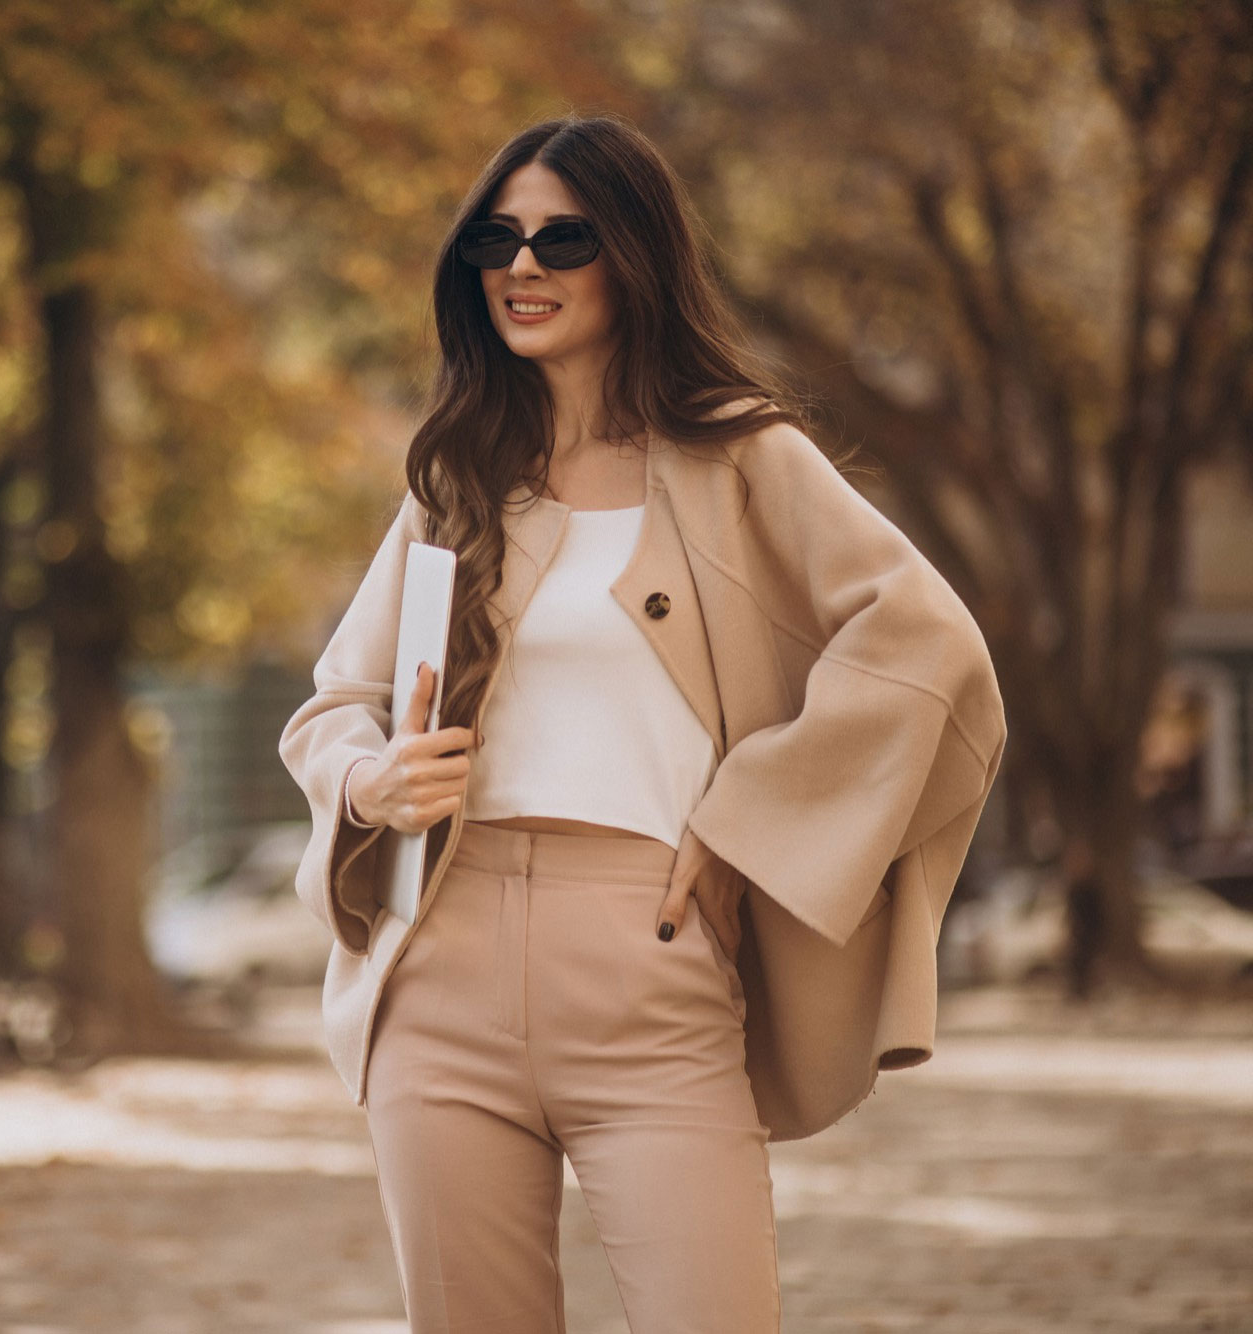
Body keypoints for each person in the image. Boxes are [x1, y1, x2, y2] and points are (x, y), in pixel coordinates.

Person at [277, 113, 1008, 1334]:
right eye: (494, 241)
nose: (522, 266)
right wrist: (370, 783)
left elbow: (924, 642)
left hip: (652, 958)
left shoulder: (742, 457)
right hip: (439, 970)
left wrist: (745, 822)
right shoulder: (457, 475)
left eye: (562, 237)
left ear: (632, 255)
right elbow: (333, 704)